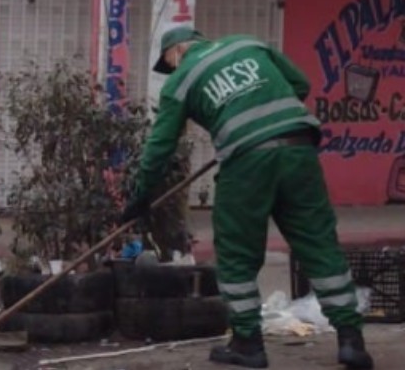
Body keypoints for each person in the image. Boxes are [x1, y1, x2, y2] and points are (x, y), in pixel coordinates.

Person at [122, 26, 374, 370]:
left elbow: (160, 146)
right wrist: (266, 116)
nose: (171, 68)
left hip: (247, 164)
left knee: (236, 252)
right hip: (298, 150)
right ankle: (351, 341)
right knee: (319, 243)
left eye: (169, 62)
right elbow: (299, 84)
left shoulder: (180, 81)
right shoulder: (249, 43)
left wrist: (140, 194)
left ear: (177, 50)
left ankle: (247, 343)